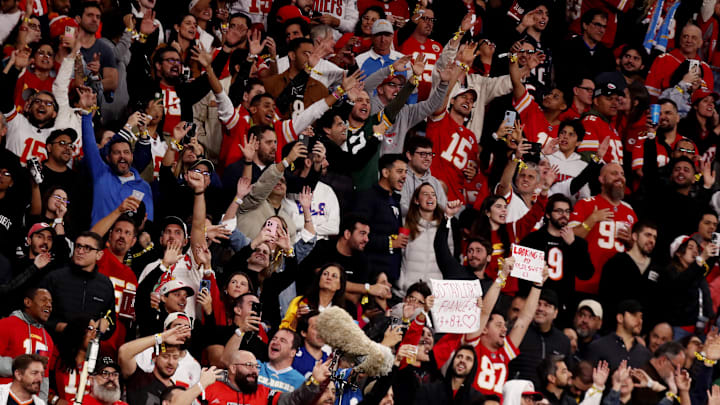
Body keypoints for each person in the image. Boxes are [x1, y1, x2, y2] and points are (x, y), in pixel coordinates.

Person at [569, 162, 637, 295]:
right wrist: (592, 220)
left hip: (616, 287)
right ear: (601, 179)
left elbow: (637, 250)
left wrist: (630, 242)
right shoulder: (585, 204)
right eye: (614, 173)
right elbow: (569, 237)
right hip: (584, 284)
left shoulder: (630, 211)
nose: (620, 177)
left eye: (622, 174)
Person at [519, 194, 593, 315]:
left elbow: (586, 274)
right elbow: (522, 280)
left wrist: (573, 244)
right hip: (535, 302)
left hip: (563, 306)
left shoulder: (578, 242)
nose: (564, 215)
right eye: (559, 211)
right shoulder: (532, 240)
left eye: (567, 211)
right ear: (547, 214)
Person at [40, 231, 116, 337]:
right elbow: (37, 315)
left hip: (87, 349)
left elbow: (111, 322)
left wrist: (105, 324)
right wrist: (59, 327)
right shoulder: (55, 278)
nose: (80, 251)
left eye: (87, 248)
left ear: (99, 255)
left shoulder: (105, 285)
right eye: (78, 246)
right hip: (53, 345)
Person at [205, 350, 330, 405]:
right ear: (233, 368)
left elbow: (294, 400)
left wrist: (314, 381)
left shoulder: (265, 394)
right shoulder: (209, 390)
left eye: (256, 366)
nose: (254, 371)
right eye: (249, 365)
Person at [353, 154, 407, 282]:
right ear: (385, 172)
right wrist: (390, 243)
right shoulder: (367, 198)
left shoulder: (395, 200)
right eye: (399, 171)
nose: (404, 176)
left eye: (406, 172)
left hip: (391, 275)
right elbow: (357, 236)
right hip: (370, 275)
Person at [599, 221, 662, 326]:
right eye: (648, 235)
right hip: (616, 328)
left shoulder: (657, 270)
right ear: (635, 236)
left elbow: (658, 306)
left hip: (644, 336)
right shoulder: (616, 263)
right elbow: (606, 299)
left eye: (655, 237)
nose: (652, 240)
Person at [396, 183, 451, 294]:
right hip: (407, 292)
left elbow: (450, 260)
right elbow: (397, 256)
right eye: (425, 194)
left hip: (434, 294)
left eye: (433, 195)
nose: (430, 197)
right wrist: (401, 283)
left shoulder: (445, 227)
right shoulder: (404, 223)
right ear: (416, 200)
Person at [509, 289, 571, 386]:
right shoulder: (518, 332)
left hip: (547, 398)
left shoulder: (563, 341)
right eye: (538, 303)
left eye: (547, 305)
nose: (541, 309)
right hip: (518, 394)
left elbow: (566, 374)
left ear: (555, 313)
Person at [0, 288, 55, 395]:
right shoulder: (5, 325)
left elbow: (44, 379)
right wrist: (22, 368)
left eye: (50, 302)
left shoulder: (48, 339)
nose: (49, 305)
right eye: (44, 300)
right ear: (28, 302)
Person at [118, 325, 191, 405]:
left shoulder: (177, 392)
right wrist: (161, 337)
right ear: (154, 357)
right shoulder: (139, 379)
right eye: (165, 356)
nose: (170, 362)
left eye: (175, 357)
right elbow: (124, 352)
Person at [645, 24, 714, 100]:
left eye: (694, 38)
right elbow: (651, 94)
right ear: (680, 39)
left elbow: (708, 100)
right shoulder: (663, 60)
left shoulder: (705, 68)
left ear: (700, 43)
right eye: (685, 36)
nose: (689, 40)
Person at [586, 300, 651, 369]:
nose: (639, 321)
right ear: (620, 318)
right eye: (634, 315)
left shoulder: (645, 354)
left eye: (641, 317)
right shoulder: (598, 347)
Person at [281, 264, 346, 331]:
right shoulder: (300, 301)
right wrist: (297, 320)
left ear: (340, 285)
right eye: (325, 274)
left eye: (334, 276)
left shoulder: (340, 313)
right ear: (319, 279)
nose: (328, 278)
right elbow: (284, 330)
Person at [414, 346, 484, 405]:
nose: (462, 360)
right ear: (453, 360)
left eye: (468, 359)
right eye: (459, 356)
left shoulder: (477, 399)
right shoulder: (429, 390)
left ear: (473, 367)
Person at [400, 136, 447, 217]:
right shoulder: (401, 178)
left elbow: (443, 209)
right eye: (423, 154)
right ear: (409, 155)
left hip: (432, 227)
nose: (428, 158)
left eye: (430, 154)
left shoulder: (435, 183)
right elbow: (400, 208)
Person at [291, 312, 329, 378]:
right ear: (304, 333)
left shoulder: (330, 360)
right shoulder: (292, 358)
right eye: (316, 327)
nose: (321, 332)